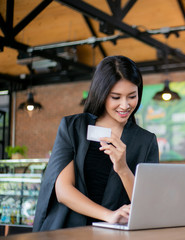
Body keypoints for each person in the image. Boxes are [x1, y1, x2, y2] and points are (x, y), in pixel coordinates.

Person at [33, 56, 159, 231]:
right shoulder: (73, 127)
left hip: (115, 233)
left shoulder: (145, 141)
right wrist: (109, 215)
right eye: (116, 97)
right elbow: (63, 191)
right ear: (102, 94)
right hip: (70, 230)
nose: (125, 105)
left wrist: (123, 169)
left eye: (132, 96)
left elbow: (146, 204)